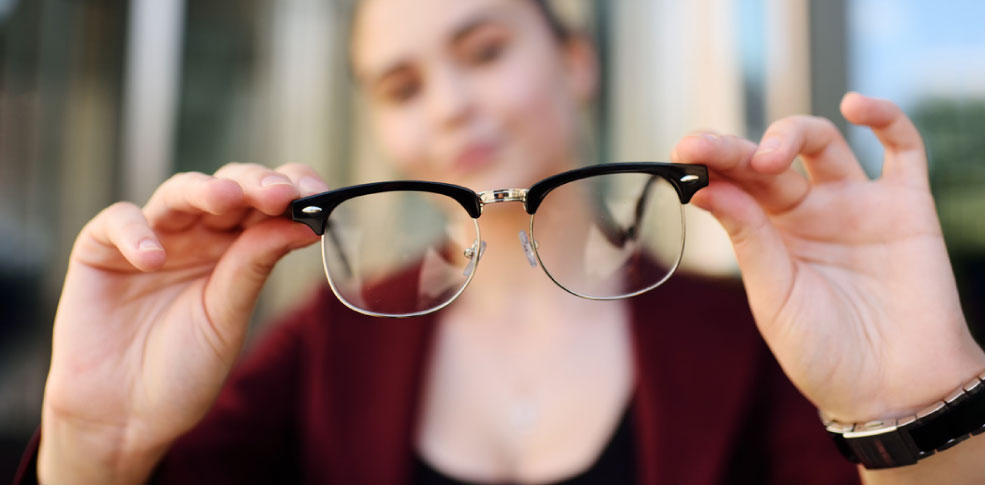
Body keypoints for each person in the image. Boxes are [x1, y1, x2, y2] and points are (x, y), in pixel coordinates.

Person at [19, 0, 985, 483]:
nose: (452, 104)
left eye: (482, 51)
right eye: (402, 87)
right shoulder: (329, 335)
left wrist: (917, 415)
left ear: (576, 64)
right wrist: (89, 446)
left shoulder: (754, 327)